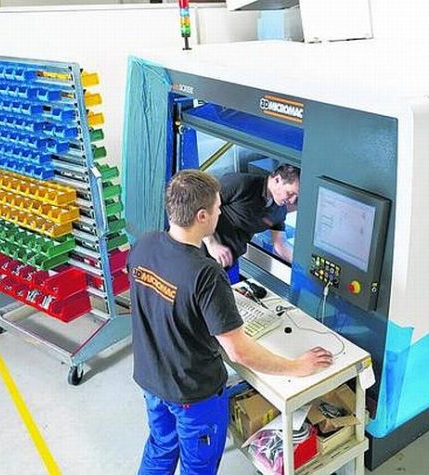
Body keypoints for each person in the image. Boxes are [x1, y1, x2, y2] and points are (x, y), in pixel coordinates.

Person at [128, 169, 333, 475]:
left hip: (151, 378)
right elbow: (239, 352)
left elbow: (156, 305)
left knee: (160, 447)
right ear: (202, 216)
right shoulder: (206, 274)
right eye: (217, 208)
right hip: (193, 393)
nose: (221, 212)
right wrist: (296, 366)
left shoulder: (145, 244)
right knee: (198, 466)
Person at [203, 164, 300, 268]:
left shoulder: (279, 210)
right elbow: (199, 208)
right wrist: (212, 244)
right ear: (277, 180)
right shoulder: (240, 183)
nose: (292, 201)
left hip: (224, 261)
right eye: (290, 193)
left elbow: (280, 244)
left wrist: (302, 266)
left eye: (296, 196)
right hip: (201, 251)